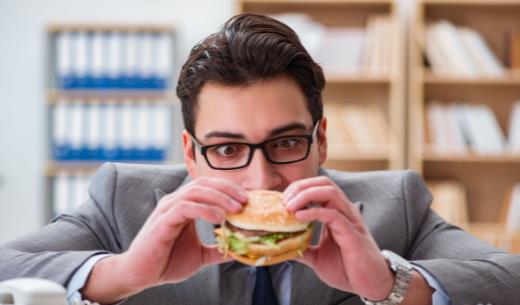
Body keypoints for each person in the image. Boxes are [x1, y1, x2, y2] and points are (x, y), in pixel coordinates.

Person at [1, 13, 519, 305]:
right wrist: (125, 273)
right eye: (227, 149)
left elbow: (509, 277)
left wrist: (390, 284)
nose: (262, 180)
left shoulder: (393, 203)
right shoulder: (124, 199)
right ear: (191, 154)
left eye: (286, 143)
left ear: (321, 140)